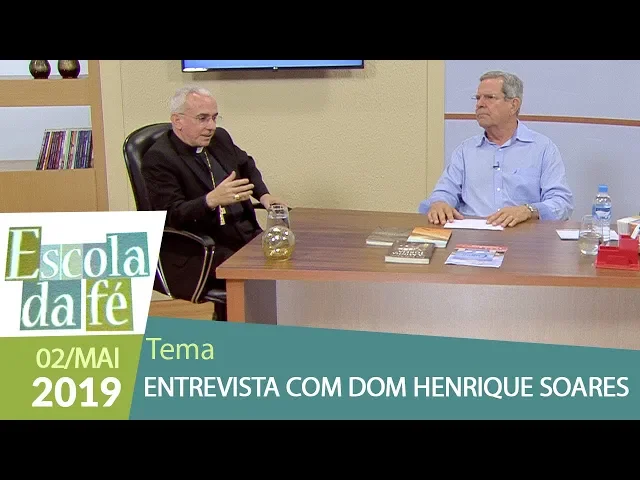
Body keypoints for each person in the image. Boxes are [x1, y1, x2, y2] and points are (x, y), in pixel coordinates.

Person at [142, 85, 286, 320]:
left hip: (243, 234)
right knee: (266, 272)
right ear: (177, 121)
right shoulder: (159, 159)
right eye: (202, 118)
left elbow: (246, 164)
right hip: (202, 248)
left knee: (289, 256)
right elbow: (170, 215)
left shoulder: (220, 139)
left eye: (214, 118)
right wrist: (210, 200)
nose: (211, 126)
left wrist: (264, 195)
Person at [418, 70, 574, 228]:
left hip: (522, 236)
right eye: (478, 98)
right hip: (471, 236)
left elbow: (562, 203)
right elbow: (444, 192)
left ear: (513, 105)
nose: (480, 104)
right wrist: (439, 203)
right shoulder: (465, 151)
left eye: (489, 97)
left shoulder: (542, 148)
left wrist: (528, 210)